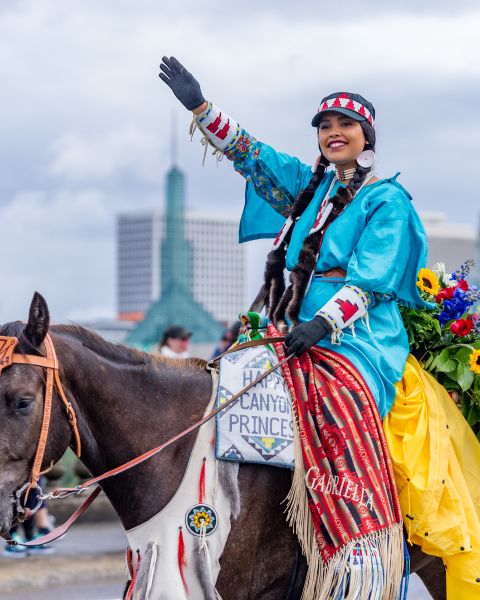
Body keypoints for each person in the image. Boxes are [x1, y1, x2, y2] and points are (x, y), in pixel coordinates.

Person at [159, 57, 480, 598]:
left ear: (366, 136)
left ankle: (356, 546)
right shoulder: (308, 192)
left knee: (334, 408)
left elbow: (373, 280)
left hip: (360, 340)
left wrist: (324, 324)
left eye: (345, 125)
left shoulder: (388, 200)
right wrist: (200, 107)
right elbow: (250, 155)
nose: (334, 133)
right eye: (325, 126)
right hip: (292, 327)